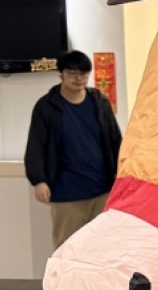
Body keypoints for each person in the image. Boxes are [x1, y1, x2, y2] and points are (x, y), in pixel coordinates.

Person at [24, 50, 122, 250]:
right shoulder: (47, 106)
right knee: (68, 248)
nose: (78, 79)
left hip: (102, 189)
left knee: (103, 248)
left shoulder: (99, 102)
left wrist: (120, 173)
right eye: (72, 73)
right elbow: (37, 144)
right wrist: (39, 180)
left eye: (83, 74)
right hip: (66, 192)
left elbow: (115, 140)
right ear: (61, 74)